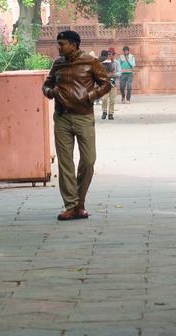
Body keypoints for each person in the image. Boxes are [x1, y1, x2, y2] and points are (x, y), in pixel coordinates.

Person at [42, 29, 111, 221]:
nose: (59, 48)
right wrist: (52, 92)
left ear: (74, 44)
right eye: (58, 44)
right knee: (66, 164)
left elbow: (106, 84)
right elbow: (46, 85)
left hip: (84, 117)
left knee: (88, 161)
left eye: (62, 44)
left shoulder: (90, 62)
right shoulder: (58, 64)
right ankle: (71, 206)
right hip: (62, 118)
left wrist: (90, 96)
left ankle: (80, 202)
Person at [99, 49, 117, 120]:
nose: (110, 56)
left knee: (112, 100)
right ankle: (104, 112)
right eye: (109, 54)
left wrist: (112, 75)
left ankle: (110, 113)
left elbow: (117, 72)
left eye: (111, 54)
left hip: (113, 83)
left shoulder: (115, 63)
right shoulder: (101, 63)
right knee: (104, 99)